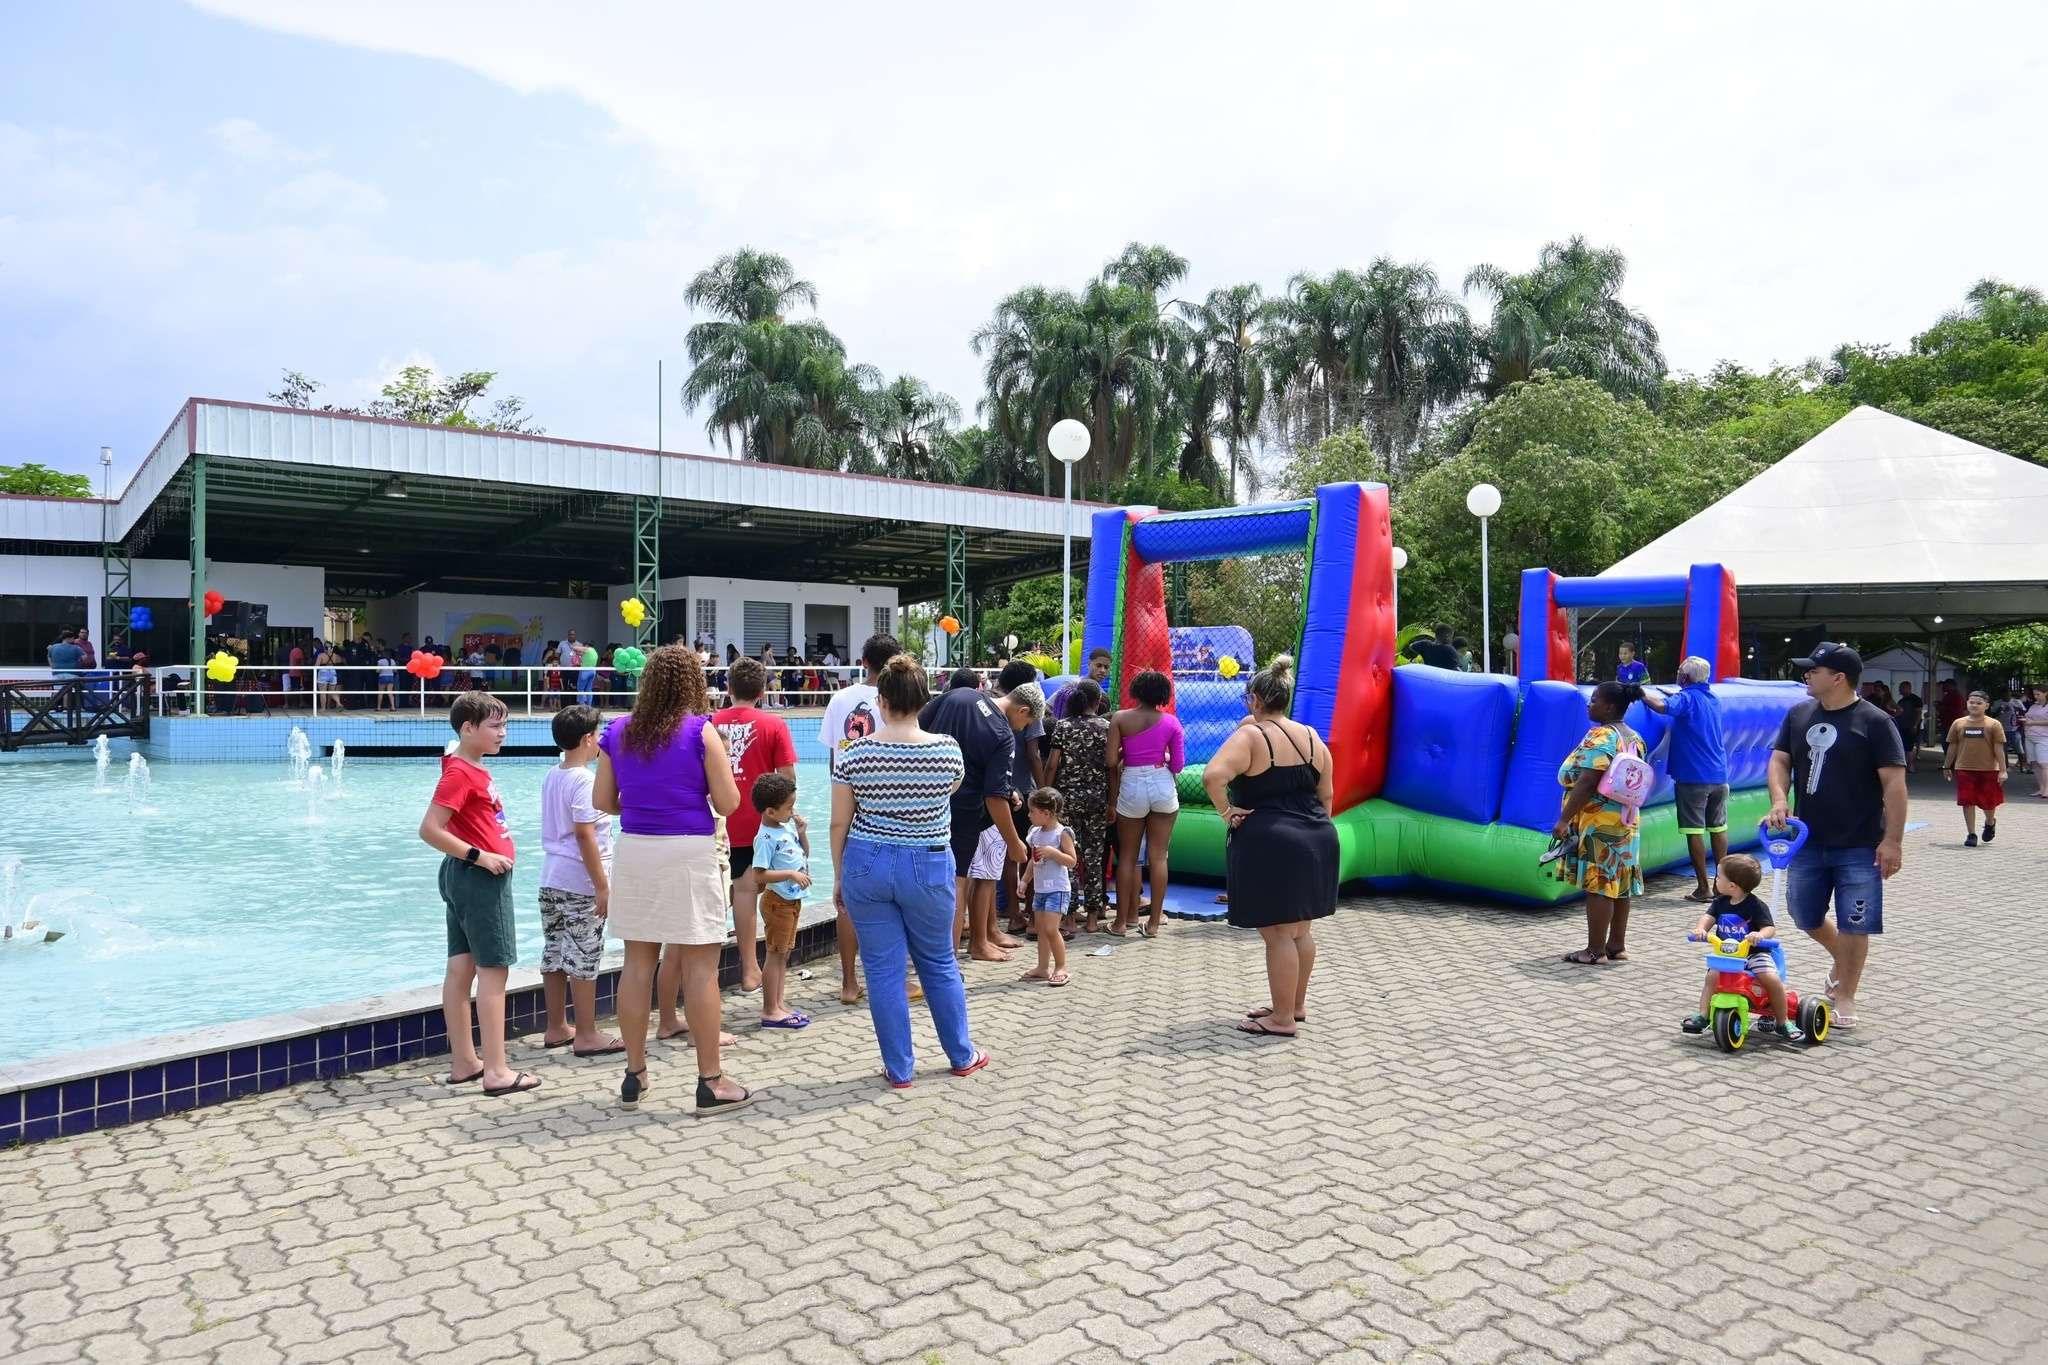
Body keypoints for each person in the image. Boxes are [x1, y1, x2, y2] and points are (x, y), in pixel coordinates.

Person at [593, 646, 753, 1115]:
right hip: (688, 851)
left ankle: (635, 1073)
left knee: (637, 966)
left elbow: (605, 799)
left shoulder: (618, 731)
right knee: (701, 969)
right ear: (693, 684)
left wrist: (645, 805)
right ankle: (710, 1081)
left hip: (637, 848)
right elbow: (727, 805)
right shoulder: (700, 731)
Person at [829, 654, 988, 1088]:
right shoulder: (946, 750)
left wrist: (840, 876)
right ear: (923, 700)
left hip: (867, 860)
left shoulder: (855, 753)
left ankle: (900, 1069)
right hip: (928, 861)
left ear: (880, 701)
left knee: (882, 971)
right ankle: (961, 1054)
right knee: (938, 962)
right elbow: (952, 789)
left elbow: (839, 821)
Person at [1767, 643, 1906, 1033]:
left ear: (1838, 678)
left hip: (1860, 844)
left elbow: (1894, 784)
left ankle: (1845, 992)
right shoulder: (1798, 715)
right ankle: (1841, 960)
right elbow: (1780, 760)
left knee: (1854, 923)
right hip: (1807, 839)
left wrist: (1892, 841)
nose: (1807, 675)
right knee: (1803, 914)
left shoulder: (1875, 722)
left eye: (1814, 670)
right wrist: (1780, 798)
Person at [1204, 655, 1336, 1038]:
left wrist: (1227, 812)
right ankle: (1293, 1005)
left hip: (1274, 840)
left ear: (1256, 700)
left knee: (1277, 933)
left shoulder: (1252, 735)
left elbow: (1214, 776)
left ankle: (1280, 1020)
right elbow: (1326, 797)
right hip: (1318, 837)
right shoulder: (1313, 737)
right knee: (1300, 930)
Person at [416, 691, 539, 1096]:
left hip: (463, 878)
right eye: (494, 726)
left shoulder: (468, 767)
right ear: (468, 728)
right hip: (478, 880)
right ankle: (497, 1070)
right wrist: (480, 856)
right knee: (493, 972)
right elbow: (430, 829)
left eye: (504, 725)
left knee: (461, 969)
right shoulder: (460, 774)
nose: (503, 733)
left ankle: (466, 1061)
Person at [921, 672, 1036, 960]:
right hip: (964, 812)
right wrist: (1014, 842)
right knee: (958, 881)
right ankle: (945, 960)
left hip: (924, 803)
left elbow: (917, 725)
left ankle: (929, 954)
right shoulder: (1002, 733)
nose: (1023, 729)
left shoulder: (961, 696)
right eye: (1027, 723)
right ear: (1023, 710)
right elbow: (994, 798)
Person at [819, 633, 902, 1005]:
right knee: (894, 896)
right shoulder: (902, 698)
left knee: (848, 898)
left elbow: (833, 759)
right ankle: (892, 979)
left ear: (862, 661)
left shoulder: (840, 699)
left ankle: (849, 983)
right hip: (889, 804)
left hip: (848, 799)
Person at [538, 704, 622, 1057]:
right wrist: (602, 886)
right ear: (588, 739)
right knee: (585, 954)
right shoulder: (585, 781)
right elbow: (585, 835)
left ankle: (556, 1025)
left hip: (551, 876)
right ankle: (587, 1033)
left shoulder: (552, 774)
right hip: (580, 880)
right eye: (599, 733)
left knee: (555, 950)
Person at [711, 657, 797, 1000]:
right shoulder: (774, 725)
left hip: (718, 824)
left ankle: (737, 967)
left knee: (730, 894)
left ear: (727, 688)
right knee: (751, 892)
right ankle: (751, 970)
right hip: (757, 823)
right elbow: (788, 778)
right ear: (763, 692)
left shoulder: (709, 723)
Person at [1553, 682, 1647, 965]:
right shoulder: (1633, 737)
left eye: (1594, 700)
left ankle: (1595, 951)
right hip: (1625, 819)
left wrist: (1564, 819)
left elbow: (1587, 781)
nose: (1589, 705)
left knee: (1599, 883)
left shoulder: (1601, 736)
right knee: (1620, 880)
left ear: (1609, 706)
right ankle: (1616, 944)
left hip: (1599, 821)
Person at [1679, 853, 1802, 1042]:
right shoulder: (1720, 902)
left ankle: (1783, 1021)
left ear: (1732, 886)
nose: (1716, 879)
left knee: (1772, 980)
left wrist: (1759, 935)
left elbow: (1770, 928)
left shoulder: (1755, 905)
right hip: (1728, 957)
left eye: (1718, 876)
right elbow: (1707, 917)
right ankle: (1703, 1015)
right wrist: (1701, 929)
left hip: (1754, 955)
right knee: (1712, 976)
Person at [1641, 657, 1727, 903]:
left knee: (1694, 831)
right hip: (1719, 775)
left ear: (1685, 678)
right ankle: (1722, 885)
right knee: (1718, 828)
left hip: (1693, 777)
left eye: (1679, 671)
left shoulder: (1686, 699)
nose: (1677, 674)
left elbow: (1660, 707)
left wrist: (1640, 694)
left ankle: (1703, 888)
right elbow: (1685, 701)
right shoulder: (1712, 699)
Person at [1109, 669, 1185, 938]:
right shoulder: (1172, 723)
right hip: (1162, 783)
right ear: (1163, 695)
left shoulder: (1120, 719)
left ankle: (1120, 923)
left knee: (1128, 856)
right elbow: (1178, 765)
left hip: (1131, 784)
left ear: (1136, 692)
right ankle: (1153, 923)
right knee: (1159, 856)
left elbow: (1109, 762)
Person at [1047, 677, 1113, 933]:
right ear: (1097, 702)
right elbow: (1112, 768)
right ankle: (1094, 917)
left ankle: (1070, 915)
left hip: (1068, 800)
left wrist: (1047, 791)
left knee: (1070, 857)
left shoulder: (1063, 726)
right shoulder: (1107, 727)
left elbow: (1052, 763)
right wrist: (1112, 801)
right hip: (1098, 799)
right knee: (1094, 857)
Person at [747, 772, 812, 1028]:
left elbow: (803, 853)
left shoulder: (784, 828)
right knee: (775, 954)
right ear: (771, 812)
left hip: (791, 900)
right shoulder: (765, 838)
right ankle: (769, 1009)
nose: (792, 811)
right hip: (778, 902)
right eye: (788, 808)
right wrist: (790, 874)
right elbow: (758, 874)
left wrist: (802, 833)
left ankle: (779, 1003)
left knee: (783, 954)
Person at [1020, 788, 1075, 985]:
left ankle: (1061, 966)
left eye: (1032, 811)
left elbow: (1071, 861)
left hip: (1057, 889)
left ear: (1046, 813)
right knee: (1042, 930)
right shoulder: (1035, 833)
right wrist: (1025, 880)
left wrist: (1054, 853)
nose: (1029, 815)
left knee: (1052, 929)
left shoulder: (1062, 833)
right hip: (1041, 889)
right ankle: (1043, 967)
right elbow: (1033, 861)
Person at [1944, 689, 2008, 846]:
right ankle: (1971, 834)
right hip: (1964, 768)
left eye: (1979, 703)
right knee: (1967, 801)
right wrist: (1946, 766)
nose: (1974, 705)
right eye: (1971, 702)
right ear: (1967, 703)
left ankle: (1990, 822)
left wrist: (2003, 770)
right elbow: (1952, 746)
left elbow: (1999, 748)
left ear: (1986, 705)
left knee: (1989, 802)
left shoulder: (1994, 724)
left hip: (1988, 769)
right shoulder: (1958, 723)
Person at [1050, 648, 1114, 719]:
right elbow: (1048, 706)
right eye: (1099, 665)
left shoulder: (1103, 695)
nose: (1102, 670)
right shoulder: (1073, 684)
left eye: (1106, 667)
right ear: (1089, 663)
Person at [2022, 685, 2048, 798]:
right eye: (2034, 694)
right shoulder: (2034, 706)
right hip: (2030, 736)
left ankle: (2047, 789)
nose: (2036, 696)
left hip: (2043, 737)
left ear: (2046, 693)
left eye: (2038, 694)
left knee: (2044, 764)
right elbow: (2029, 717)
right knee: (2035, 763)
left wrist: (2032, 723)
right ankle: (2041, 788)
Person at [1893, 681, 1926, 769]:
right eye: (1900, 687)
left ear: (1908, 688)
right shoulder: (1901, 700)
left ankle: (1911, 765)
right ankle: (1906, 764)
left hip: (1911, 726)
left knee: (1909, 747)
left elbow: (1919, 713)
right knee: (1903, 746)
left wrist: (1915, 725)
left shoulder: (1915, 699)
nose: (1900, 689)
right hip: (1902, 726)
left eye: (1902, 687)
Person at [375, 647, 398, 711]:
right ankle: (393, 707)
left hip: (383, 677)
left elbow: (378, 671)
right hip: (391, 677)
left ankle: (379, 707)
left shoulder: (380, 661)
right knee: (390, 692)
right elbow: (395, 671)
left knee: (380, 692)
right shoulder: (392, 661)